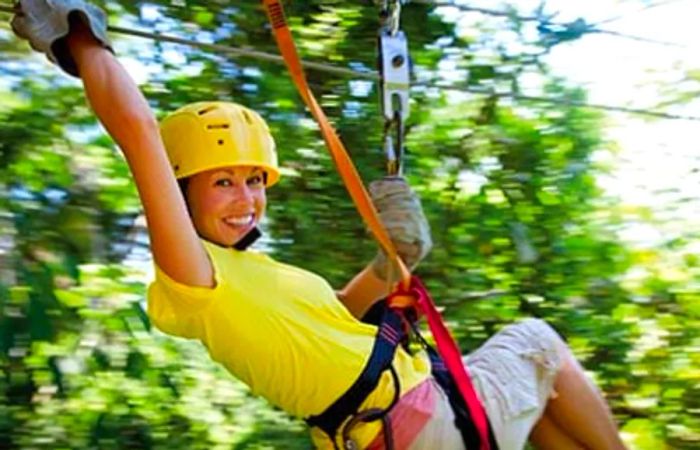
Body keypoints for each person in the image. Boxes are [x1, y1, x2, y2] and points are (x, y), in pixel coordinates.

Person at [11, 1, 628, 449]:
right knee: (537, 342)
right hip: (421, 423)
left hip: (418, 422)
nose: (245, 199)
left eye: (254, 180)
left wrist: (391, 260)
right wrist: (80, 34)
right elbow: (139, 132)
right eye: (222, 181)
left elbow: (340, 313)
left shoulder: (257, 273)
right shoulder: (192, 276)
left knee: (547, 414)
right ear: (179, 192)